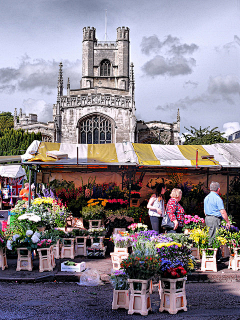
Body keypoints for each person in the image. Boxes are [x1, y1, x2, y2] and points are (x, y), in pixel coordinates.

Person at [204, 181, 230, 246]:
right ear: (218, 189)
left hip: (207, 218)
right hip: (214, 219)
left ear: (210, 189)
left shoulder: (206, 198)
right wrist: (227, 221)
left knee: (209, 235)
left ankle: (212, 252)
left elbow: (205, 211)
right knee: (214, 237)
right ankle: (213, 253)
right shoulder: (217, 198)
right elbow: (223, 212)